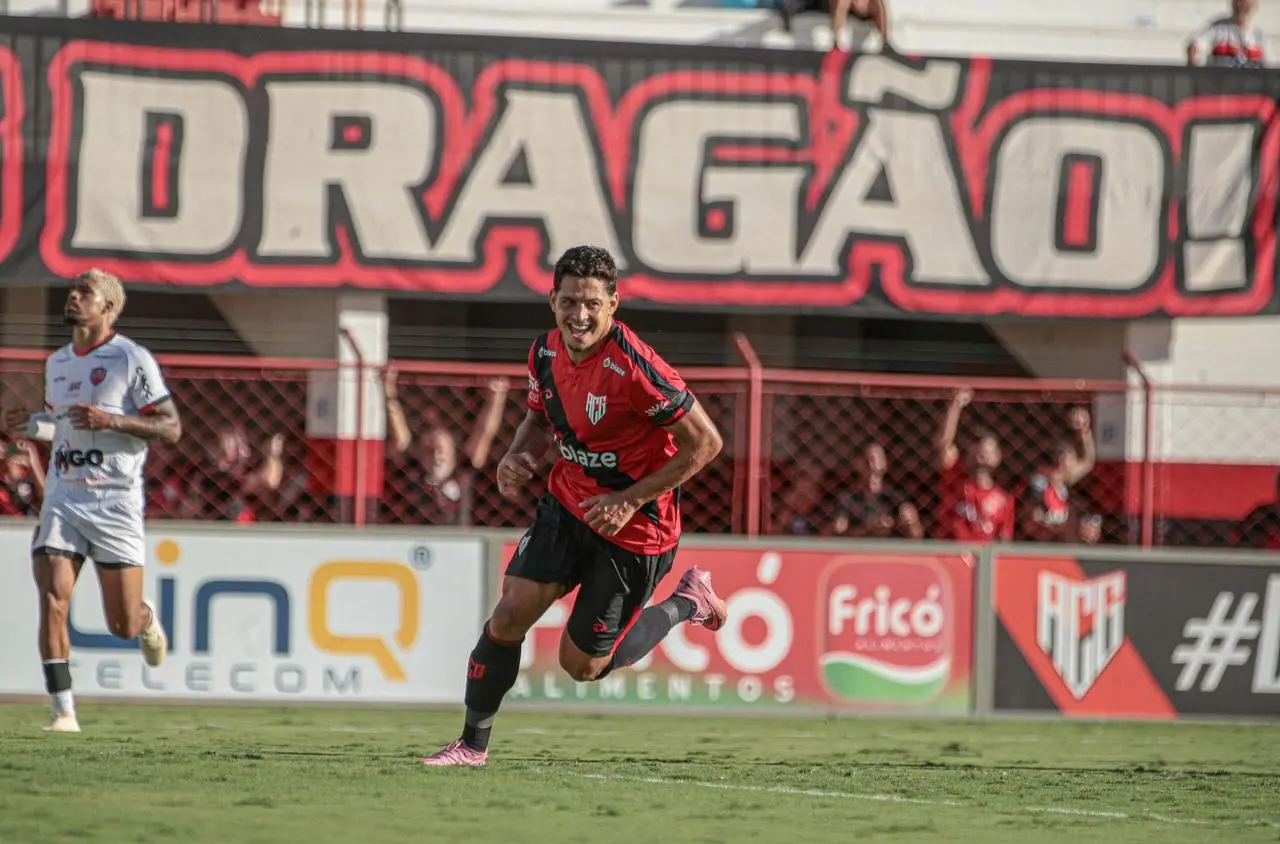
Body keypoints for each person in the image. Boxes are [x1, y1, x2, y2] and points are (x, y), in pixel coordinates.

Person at [419, 245, 725, 767]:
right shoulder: (543, 353)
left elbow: (707, 443)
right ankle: (472, 745)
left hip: (636, 530)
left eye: (591, 304)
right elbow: (539, 420)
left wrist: (630, 500)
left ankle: (686, 603)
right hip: (567, 504)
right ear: (552, 301)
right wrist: (518, 454)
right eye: (568, 302)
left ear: (612, 305)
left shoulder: (636, 368)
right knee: (509, 613)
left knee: (581, 667)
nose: (578, 315)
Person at [2, 269, 181, 733]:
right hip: (64, 496)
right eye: (73, 290)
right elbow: (61, 426)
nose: (75, 296)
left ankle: (145, 619)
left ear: (108, 308)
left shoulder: (131, 358)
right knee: (53, 597)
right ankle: (63, 712)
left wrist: (113, 421)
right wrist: (29, 426)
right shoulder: (57, 362)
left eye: (86, 292)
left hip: (115, 503)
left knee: (122, 624)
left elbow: (170, 427)